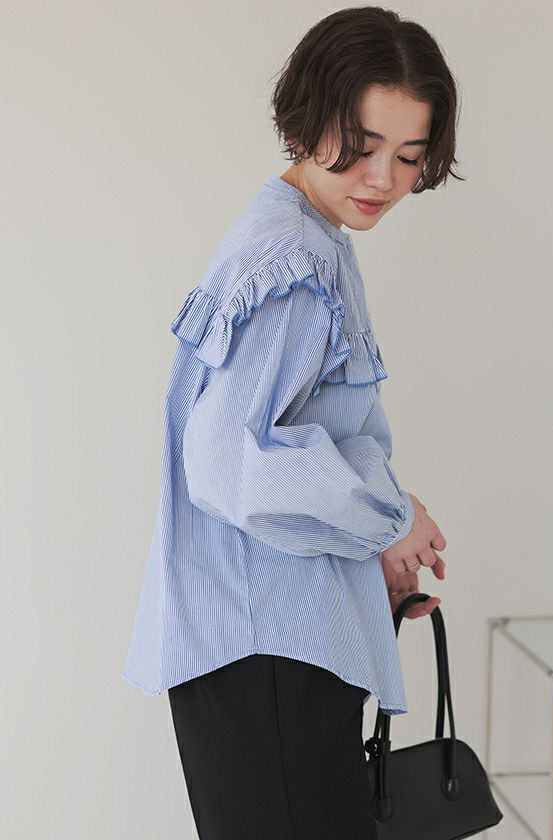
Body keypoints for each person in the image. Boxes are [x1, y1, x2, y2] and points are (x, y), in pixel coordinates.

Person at [123, 6, 463, 838]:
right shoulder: (295, 261)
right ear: (308, 115)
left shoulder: (302, 237)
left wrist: (369, 550)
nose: (382, 179)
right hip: (267, 654)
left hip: (267, 647)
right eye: (362, 145)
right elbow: (230, 463)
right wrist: (390, 518)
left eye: (408, 156)